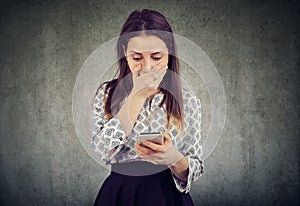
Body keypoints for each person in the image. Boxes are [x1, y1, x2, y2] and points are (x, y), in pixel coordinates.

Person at [91, 9, 204, 206]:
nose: (147, 67)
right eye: (137, 58)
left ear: (168, 54)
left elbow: (193, 170)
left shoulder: (187, 100)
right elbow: (102, 150)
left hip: (167, 195)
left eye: (156, 57)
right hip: (121, 194)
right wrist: (137, 95)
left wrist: (172, 158)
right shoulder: (108, 94)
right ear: (125, 53)